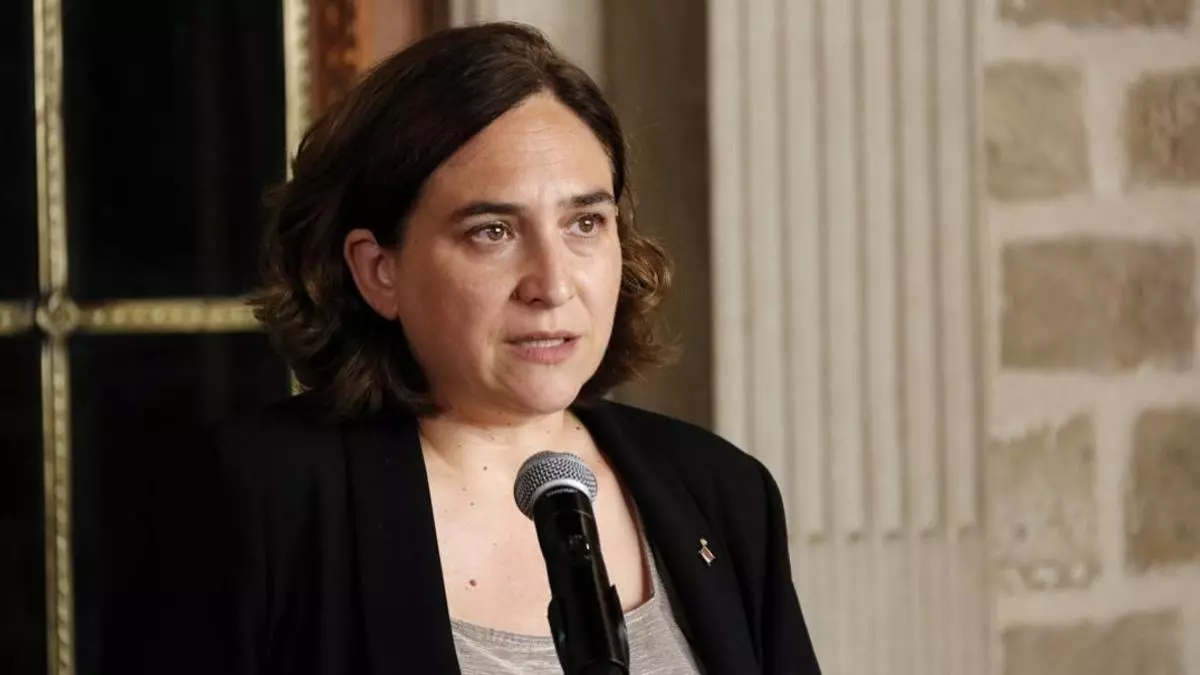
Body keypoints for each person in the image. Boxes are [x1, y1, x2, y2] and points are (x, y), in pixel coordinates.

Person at [149, 21, 821, 675]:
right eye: (492, 231)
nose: (552, 284)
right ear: (379, 271)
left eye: (585, 223)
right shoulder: (260, 498)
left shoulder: (721, 491)